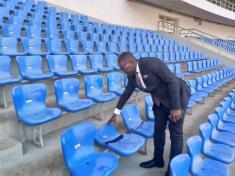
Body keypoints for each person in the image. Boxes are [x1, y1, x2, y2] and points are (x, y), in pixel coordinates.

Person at [107, 52, 191, 176]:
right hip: (159, 102)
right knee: (158, 131)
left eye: (124, 68)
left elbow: (172, 80)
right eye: (121, 70)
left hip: (177, 96)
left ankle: (173, 170)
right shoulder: (131, 76)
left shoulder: (151, 63)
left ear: (132, 61)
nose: (123, 72)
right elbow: (126, 93)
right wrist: (116, 113)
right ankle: (158, 160)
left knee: (176, 134)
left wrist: (176, 107)